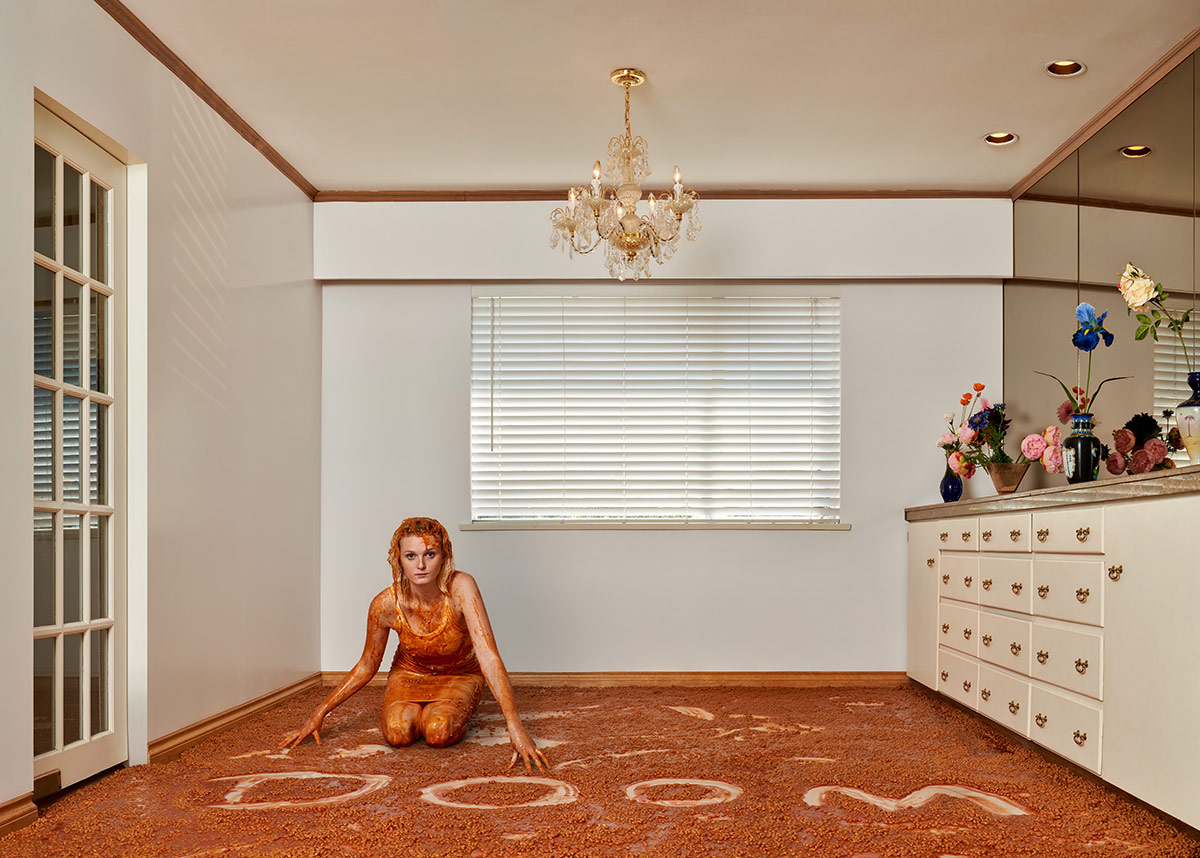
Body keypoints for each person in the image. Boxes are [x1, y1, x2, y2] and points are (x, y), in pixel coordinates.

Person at [280, 517, 548, 773]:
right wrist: (320, 712)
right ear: (399, 560)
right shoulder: (384, 604)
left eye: (430, 554)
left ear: (444, 557)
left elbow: (488, 655)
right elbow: (368, 663)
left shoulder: (461, 588)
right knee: (398, 732)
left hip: (460, 674)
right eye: (411, 556)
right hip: (410, 674)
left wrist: (515, 726)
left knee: (438, 730)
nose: (421, 565)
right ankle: (421, 712)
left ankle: (436, 712)